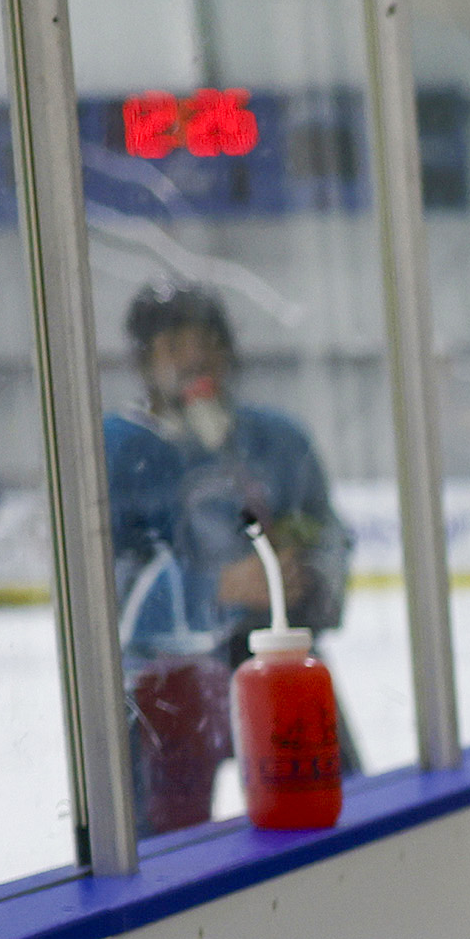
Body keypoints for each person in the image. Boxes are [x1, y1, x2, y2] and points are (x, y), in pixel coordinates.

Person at [102, 282, 353, 834]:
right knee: (162, 849)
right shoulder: (114, 450)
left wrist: (304, 577)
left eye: (206, 343)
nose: (194, 359)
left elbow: (327, 532)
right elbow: (101, 587)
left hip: (278, 668)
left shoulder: (277, 439)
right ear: (145, 360)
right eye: (174, 346)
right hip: (163, 686)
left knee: (330, 813)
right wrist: (215, 589)